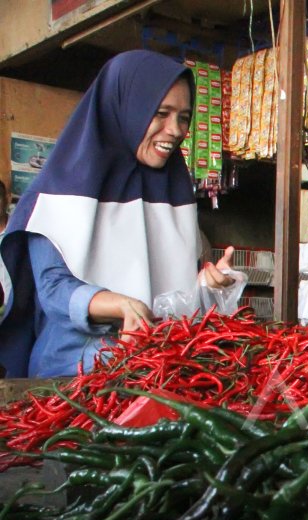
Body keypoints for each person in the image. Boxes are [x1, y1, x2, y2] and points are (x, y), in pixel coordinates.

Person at [0, 50, 236, 379]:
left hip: (154, 370)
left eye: (183, 117)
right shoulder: (56, 190)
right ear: (125, 109)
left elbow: (174, 293)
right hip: (74, 373)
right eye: (161, 113)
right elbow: (53, 288)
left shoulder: (174, 193)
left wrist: (209, 284)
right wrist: (119, 304)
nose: (175, 130)